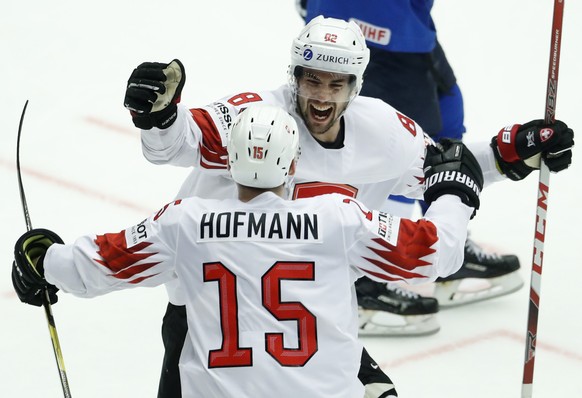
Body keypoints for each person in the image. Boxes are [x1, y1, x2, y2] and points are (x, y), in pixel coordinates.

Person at [122, 16, 573, 398]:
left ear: (356, 85)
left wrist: (509, 152)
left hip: (310, 314)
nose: (322, 96)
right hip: (212, 318)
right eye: (311, 79)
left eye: (336, 84)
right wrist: (159, 116)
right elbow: (179, 142)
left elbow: (445, 167)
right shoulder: (256, 119)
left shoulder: (384, 132)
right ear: (293, 75)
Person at [12, 104, 482, 397]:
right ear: (294, 162)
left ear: (229, 161)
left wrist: (43, 260)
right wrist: (453, 194)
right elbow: (435, 253)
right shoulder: (340, 217)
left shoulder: (185, 222)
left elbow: (96, 264)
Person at [295, 0, 527, 334]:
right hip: (368, 20)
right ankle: (367, 281)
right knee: (394, 144)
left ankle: (448, 240)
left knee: (447, 113)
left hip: (410, 25)